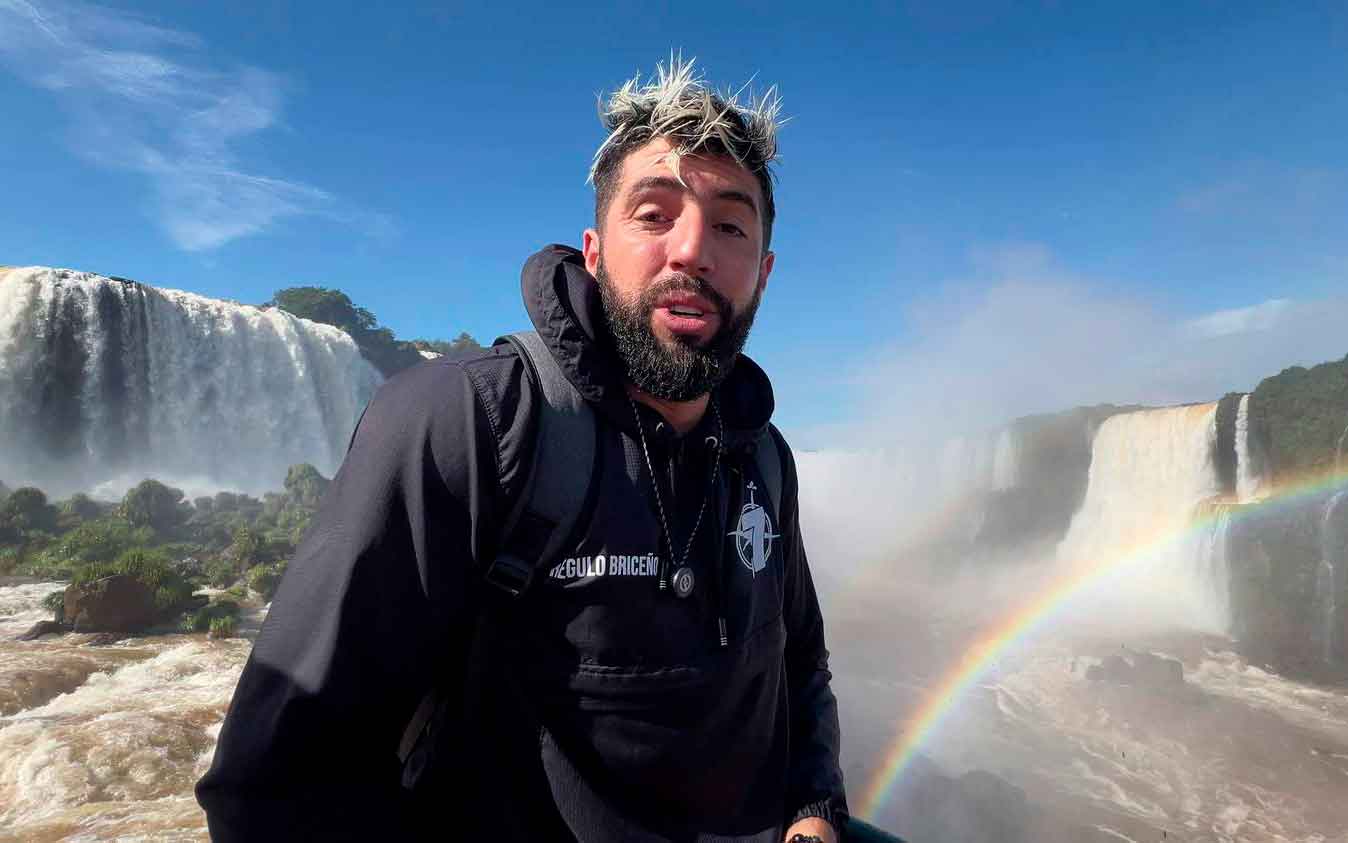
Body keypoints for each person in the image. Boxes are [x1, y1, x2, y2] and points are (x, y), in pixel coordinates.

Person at [196, 56, 847, 843]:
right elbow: (274, 782)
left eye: (732, 225)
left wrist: (814, 807)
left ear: (764, 273)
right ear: (595, 249)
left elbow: (800, 663)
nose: (692, 251)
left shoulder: (764, 458)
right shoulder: (468, 419)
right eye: (653, 213)